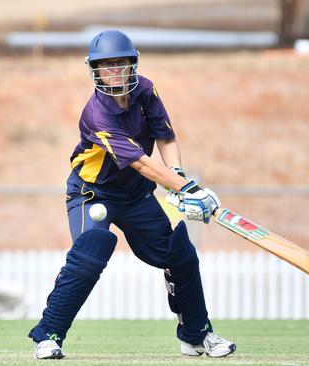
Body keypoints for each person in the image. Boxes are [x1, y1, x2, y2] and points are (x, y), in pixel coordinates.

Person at [28, 30, 236, 359]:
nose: (113, 71)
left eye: (120, 64)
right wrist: (186, 189)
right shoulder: (97, 114)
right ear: (94, 71)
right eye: (105, 66)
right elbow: (140, 162)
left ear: (132, 65)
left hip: (136, 195)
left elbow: (165, 138)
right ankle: (47, 335)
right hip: (92, 193)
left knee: (179, 251)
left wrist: (180, 178)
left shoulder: (146, 90)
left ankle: (197, 335)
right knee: (91, 250)